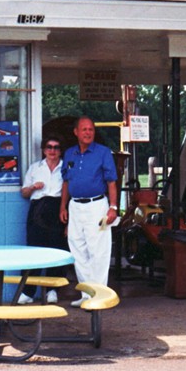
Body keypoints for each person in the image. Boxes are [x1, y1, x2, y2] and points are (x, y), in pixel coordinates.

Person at [59, 116, 119, 307]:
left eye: (91, 129)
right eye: (84, 129)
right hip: (75, 206)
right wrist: (63, 207)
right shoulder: (70, 153)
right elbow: (66, 182)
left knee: (98, 251)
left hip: (97, 206)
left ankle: (100, 296)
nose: (88, 133)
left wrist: (113, 207)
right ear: (76, 132)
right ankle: (86, 295)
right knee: (78, 251)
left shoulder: (103, 152)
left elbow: (111, 182)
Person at [17, 135, 69, 304]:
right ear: (44, 150)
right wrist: (33, 187)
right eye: (49, 147)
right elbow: (24, 193)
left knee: (57, 249)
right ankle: (28, 292)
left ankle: (52, 290)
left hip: (58, 208)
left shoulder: (66, 167)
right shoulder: (35, 168)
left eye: (56, 147)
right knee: (34, 250)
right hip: (38, 209)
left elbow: (70, 192)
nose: (52, 150)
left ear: (60, 151)